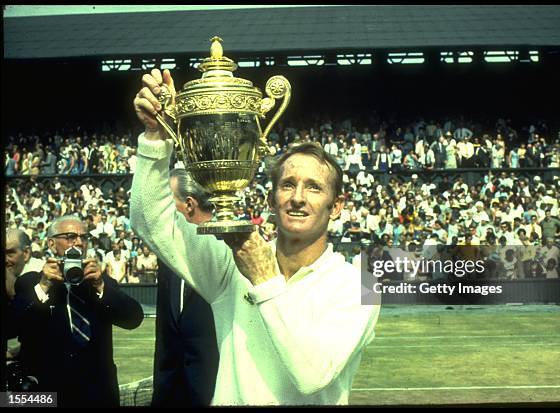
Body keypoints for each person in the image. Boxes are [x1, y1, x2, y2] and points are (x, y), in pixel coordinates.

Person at [131, 68, 380, 405]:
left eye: (314, 187)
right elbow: (151, 221)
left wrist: (264, 280)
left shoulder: (359, 285)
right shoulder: (231, 266)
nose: (297, 197)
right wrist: (155, 139)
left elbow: (313, 376)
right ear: (271, 199)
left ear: (336, 207)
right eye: (288, 184)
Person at [10, 215, 144, 407]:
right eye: (70, 236)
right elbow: (12, 326)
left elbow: (133, 319)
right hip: (46, 394)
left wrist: (100, 286)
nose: (79, 242)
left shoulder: (100, 283)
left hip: (97, 394)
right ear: (51, 243)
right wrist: (44, 286)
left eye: (84, 237)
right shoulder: (31, 283)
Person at [151, 168, 219, 407]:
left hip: (213, 393)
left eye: (168, 202)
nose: (162, 212)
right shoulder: (169, 254)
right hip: (170, 395)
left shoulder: (228, 249)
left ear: (189, 205)